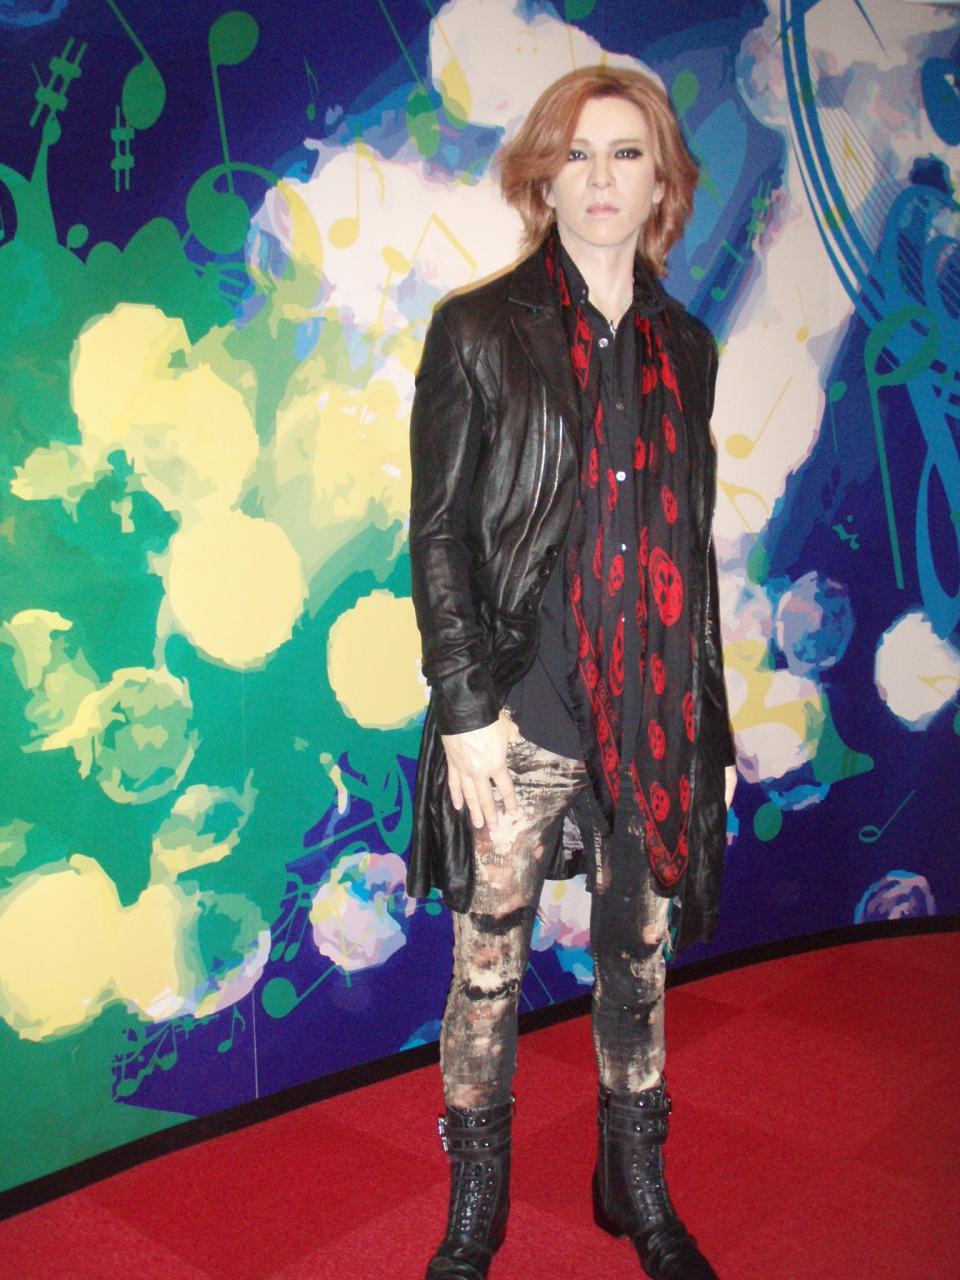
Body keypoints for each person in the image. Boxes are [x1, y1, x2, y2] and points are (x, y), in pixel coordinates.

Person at [407, 64, 737, 1280]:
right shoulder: (479, 330)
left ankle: (634, 1182)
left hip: (651, 717)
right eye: (579, 153)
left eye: (628, 153)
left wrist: (707, 726)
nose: (602, 177)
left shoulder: (686, 346)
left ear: (663, 184)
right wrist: (465, 708)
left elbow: (688, 551)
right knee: (487, 972)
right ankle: (476, 1211)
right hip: (519, 717)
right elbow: (440, 533)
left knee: (637, 963)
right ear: (544, 177)